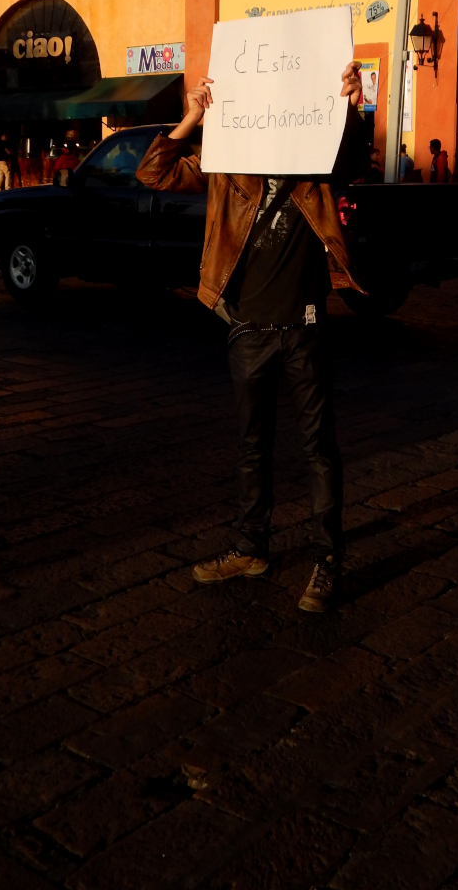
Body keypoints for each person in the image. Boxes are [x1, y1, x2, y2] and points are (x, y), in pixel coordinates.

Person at [137, 61, 368, 612]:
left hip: (304, 327)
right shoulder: (226, 166)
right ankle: (250, 548)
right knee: (252, 445)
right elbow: (153, 173)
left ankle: (328, 560)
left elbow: (356, 158)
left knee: (318, 448)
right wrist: (191, 116)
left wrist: (351, 105)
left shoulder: (313, 165)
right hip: (247, 330)